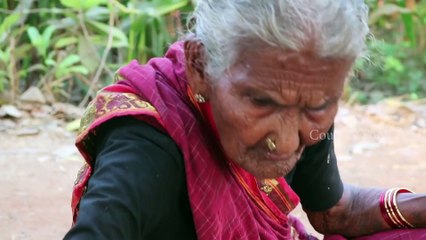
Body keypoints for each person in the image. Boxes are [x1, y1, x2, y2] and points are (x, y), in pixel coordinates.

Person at [64, 0, 426, 239]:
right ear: (200, 66)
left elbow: (333, 212)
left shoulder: (308, 96)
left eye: (317, 105)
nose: (285, 142)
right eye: (260, 102)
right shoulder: (149, 145)